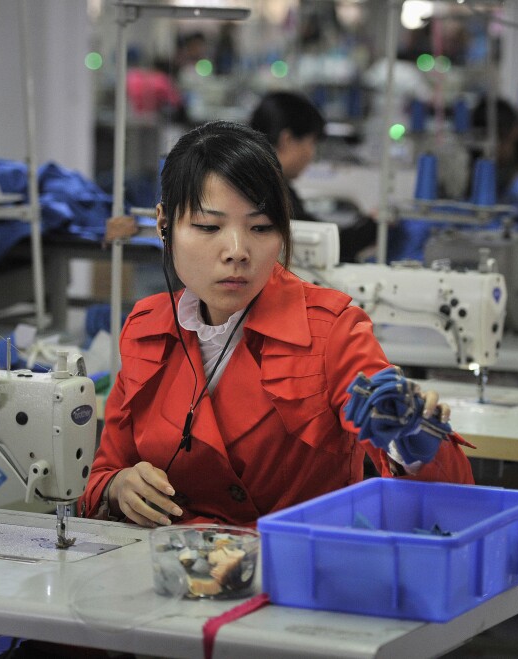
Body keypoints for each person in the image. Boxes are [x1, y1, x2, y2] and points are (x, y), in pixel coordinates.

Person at [81, 121, 473, 529]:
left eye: (261, 227)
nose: (237, 252)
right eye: (208, 227)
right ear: (164, 224)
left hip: (296, 575)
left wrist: (410, 440)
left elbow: (446, 500)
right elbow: (102, 476)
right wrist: (118, 485)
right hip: (172, 573)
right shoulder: (145, 328)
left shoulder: (331, 332)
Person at [249, 90, 377, 262]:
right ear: (287, 140)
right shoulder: (270, 190)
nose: (312, 153)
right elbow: (325, 244)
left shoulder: (255, 179)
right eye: (311, 143)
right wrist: (374, 225)